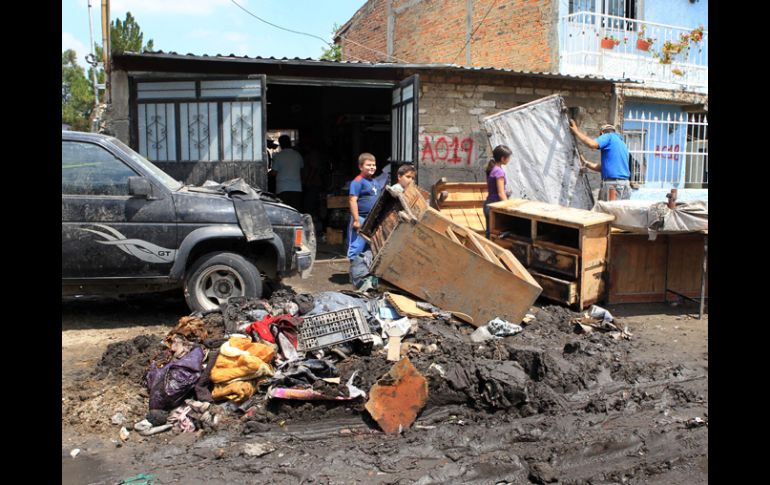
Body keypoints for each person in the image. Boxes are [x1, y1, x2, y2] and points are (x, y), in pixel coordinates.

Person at [569, 121, 631, 201]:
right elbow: (603, 168)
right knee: (619, 212)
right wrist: (586, 163)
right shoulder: (622, 143)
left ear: (601, 133)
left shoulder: (608, 136)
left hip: (613, 185)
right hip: (625, 184)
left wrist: (576, 131)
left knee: (608, 212)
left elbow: (592, 144)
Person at [347, 153, 378, 260]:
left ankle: (363, 273)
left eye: (373, 165)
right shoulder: (357, 182)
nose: (372, 167)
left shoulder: (375, 182)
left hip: (372, 220)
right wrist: (356, 220)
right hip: (360, 218)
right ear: (360, 167)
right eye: (368, 165)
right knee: (357, 246)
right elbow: (352, 200)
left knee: (369, 247)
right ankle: (354, 275)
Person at [483, 145, 513, 239]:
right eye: (508, 158)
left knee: (489, 233)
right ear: (502, 158)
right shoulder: (499, 172)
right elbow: (500, 193)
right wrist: (508, 207)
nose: (509, 160)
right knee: (496, 235)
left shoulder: (492, 168)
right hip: (495, 206)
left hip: (488, 204)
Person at [270, 135, 304, 211]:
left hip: (282, 189)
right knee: (295, 212)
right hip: (296, 188)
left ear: (281, 144)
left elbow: (274, 173)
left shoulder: (278, 156)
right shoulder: (298, 155)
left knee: (284, 213)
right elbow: (301, 170)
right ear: (289, 143)